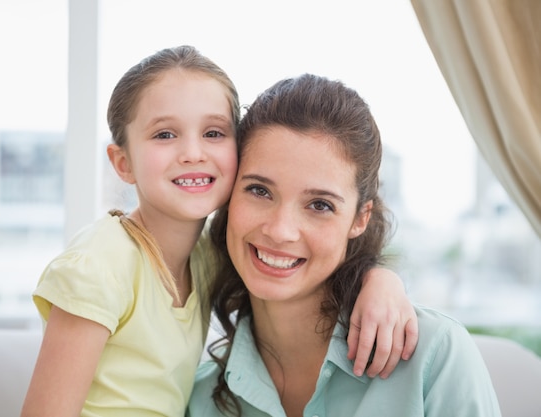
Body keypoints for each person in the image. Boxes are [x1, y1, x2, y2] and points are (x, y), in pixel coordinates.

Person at [21, 46, 418, 417]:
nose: (193, 152)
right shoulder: (99, 264)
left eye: (213, 133)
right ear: (122, 162)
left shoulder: (209, 256)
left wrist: (381, 280)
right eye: (164, 134)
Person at [187, 74, 501, 416]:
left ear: (360, 218)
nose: (280, 231)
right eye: (259, 190)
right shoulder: (202, 397)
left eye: (320, 205)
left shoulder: (436, 357)